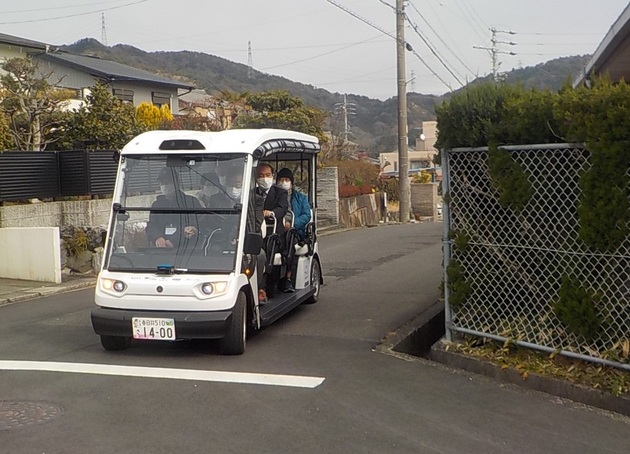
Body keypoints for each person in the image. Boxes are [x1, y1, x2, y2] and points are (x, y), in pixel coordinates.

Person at [146, 167, 203, 248]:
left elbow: (195, 225)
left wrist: (174, 240)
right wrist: (157, 238)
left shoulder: (191, 202)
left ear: (177, 183)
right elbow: (152, 225)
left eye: (168, 182)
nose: (165, 185)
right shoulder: (157, 205)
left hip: (186, 250)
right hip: (161, 250)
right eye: (162, 182)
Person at [276, 168, 312, 293]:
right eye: (281, 180)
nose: (284, 182)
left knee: (289, 239)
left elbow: (307, 215)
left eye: (286, 180)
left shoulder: (300, 198)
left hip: (296, 231)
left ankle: (288, 278)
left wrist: (293, 224)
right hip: (277, 230)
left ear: (291, 182)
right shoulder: (274, 197)